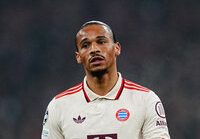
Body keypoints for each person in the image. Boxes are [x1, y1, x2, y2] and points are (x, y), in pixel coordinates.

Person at [41, 20, 170, 139]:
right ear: (78, 57)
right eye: (85, 45)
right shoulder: (58, 106)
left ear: (117, 48)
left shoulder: (146, 100)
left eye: (101, 42)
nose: (94, 49)